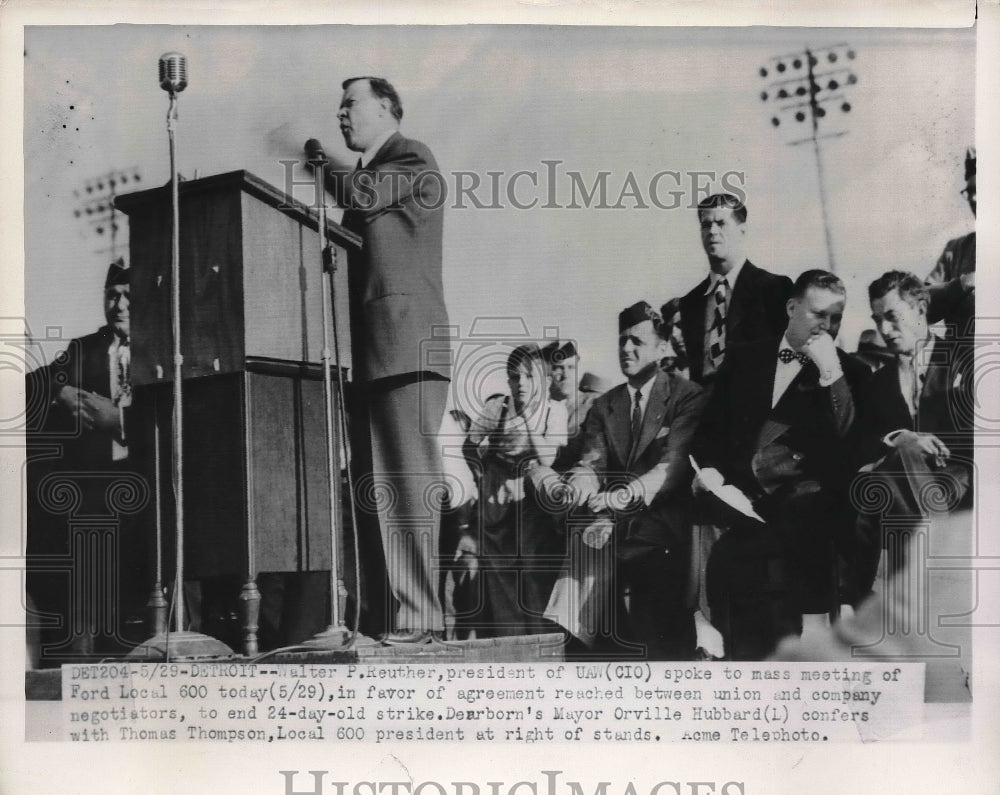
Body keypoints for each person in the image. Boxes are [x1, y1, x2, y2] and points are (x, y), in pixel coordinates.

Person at [316, 76, 451, 644]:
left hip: (403, 349)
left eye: (351, 104)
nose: (341, 115)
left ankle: (419, 619)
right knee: (375, 491)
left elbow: (364, 198)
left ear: (388, 109)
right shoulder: (374, 173)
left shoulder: (408, 156)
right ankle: (384, 621)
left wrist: (317, 162)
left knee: (407, 482)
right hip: (368, 355)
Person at [692, 270, 871, 660]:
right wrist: (709, 471)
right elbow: (708, 433)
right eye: (818, 314)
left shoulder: (850, 373)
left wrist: (830, 373)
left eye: (836, 318)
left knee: (808, 517)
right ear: (791, 308)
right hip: (735, 493)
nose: (827, 327)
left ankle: (808, 639)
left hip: (798, 500)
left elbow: (849, 448)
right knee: (698, 516)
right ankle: (707, 632)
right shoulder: (745, 358)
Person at [551, 301, 705, 660]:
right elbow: (592, 462)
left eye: (636, 341)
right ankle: (573, 641)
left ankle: (577, 638)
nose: (626, 349)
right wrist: (580, 485)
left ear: (662, 348)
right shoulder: (606, 405)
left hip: (665, 526)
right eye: (622, 340)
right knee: (585, 540)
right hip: (614, 529)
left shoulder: (686, 396)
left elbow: (673, 466)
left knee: (654, 628)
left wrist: (615, 500)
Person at [25, 259, 144, 664]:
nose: (119, 305)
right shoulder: (86, 348)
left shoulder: (167, 345)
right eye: (112, 295)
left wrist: (121, 421)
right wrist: (59, 390)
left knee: (132, 587)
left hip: (148, 484)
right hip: (94, 485)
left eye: (129, 295)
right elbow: (35, 381)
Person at [852, 271, 973, 597]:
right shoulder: (878, 383)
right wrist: (902, 437)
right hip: (907, 495)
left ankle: (864, 592)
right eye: (878, 320)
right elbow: (862, 445)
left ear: (921, 308)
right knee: (896, 461)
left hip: (956, 483)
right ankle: (937, 576)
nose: (884, 330)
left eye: (892, 317)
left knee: (884, 485)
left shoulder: (964, 360)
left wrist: (927, 447)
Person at [465, 344, 568, 637]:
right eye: (514, 377)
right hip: (496, 505)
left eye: (529, 376)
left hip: (534, 506)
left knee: (535, 577)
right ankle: (512, 652)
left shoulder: (554, 410)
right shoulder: (497, 407)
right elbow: (469, 445)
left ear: (544, 380)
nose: (521, 383)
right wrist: (480, 476)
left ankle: (538, 646)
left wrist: (527, 416)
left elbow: (548, 458)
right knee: (501, 581)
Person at [677, 194, 793, 386]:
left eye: (721, 223)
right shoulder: (691, 302)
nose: (712, 231)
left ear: (742, 230)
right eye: (706, 225)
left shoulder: (773, 288)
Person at [925, 147, 975, 345]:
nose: (973, 199)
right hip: (965, 366)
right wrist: (960, 285)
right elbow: (920, 304)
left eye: (981, 190)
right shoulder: (956, 250)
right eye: (970, 192)